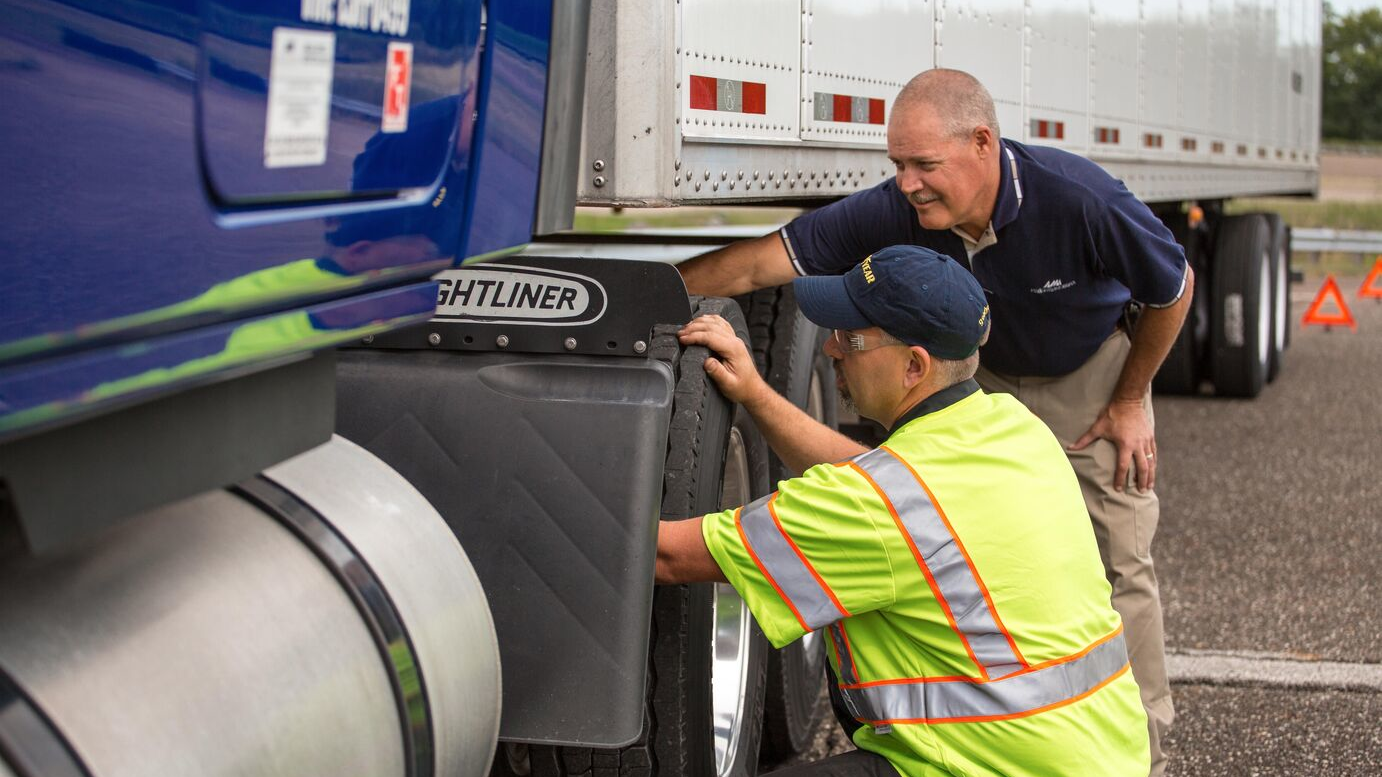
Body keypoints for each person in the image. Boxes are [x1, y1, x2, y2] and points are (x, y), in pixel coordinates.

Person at [676, 69, 1185, 775]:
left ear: (982, 143)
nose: (907, 183)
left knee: (1120, 554)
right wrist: (649, 296)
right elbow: (759, 265)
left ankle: (1144, 752)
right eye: (897, 164)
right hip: (983, 369)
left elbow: (1173, 288)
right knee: (932, 514)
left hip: (1088, 369)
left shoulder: (1079, 199)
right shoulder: (898, 209)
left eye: (923, 164)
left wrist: (1129, 400)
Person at [658, 245, 1150, 777]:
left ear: (914, 365)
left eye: (850, 337)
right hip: (1099, 755)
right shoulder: (1015, 429)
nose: (831, 347)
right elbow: (880, 480)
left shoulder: (880, 505)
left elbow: (666, 556)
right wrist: (755, 393)